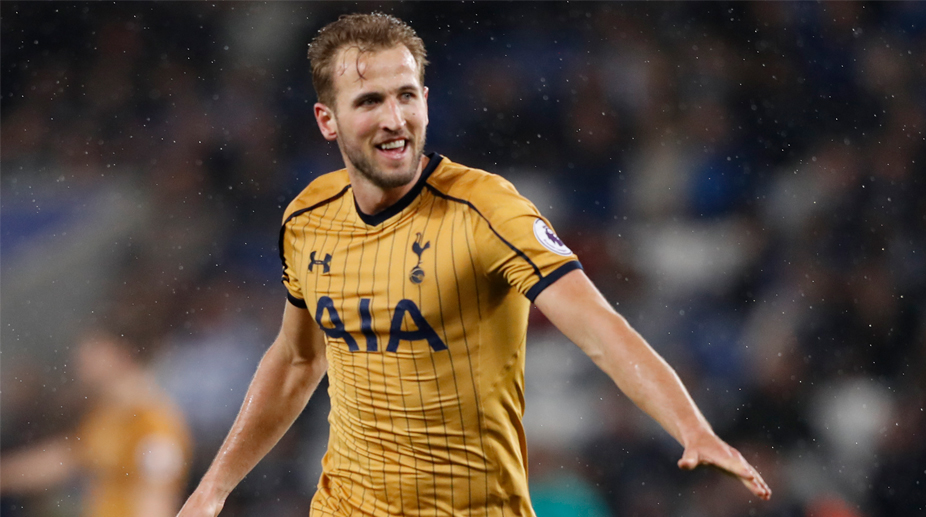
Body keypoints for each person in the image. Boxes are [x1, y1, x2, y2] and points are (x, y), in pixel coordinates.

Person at [178, 12, 771, 517]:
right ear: (326, 120)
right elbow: (297, 358)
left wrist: (692, 428)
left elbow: (599, 328)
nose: (394, 118)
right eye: (369, 101)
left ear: (426, 102)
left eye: (406, 95)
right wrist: (214, 488)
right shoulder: (308, 218)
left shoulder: (486, 209)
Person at [1, 328, 192, 517]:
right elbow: (63, 460)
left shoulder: (155, 423)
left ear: (120, 355)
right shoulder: (105, 417)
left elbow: (156, 498)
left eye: (92, 353)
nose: (80, 363)